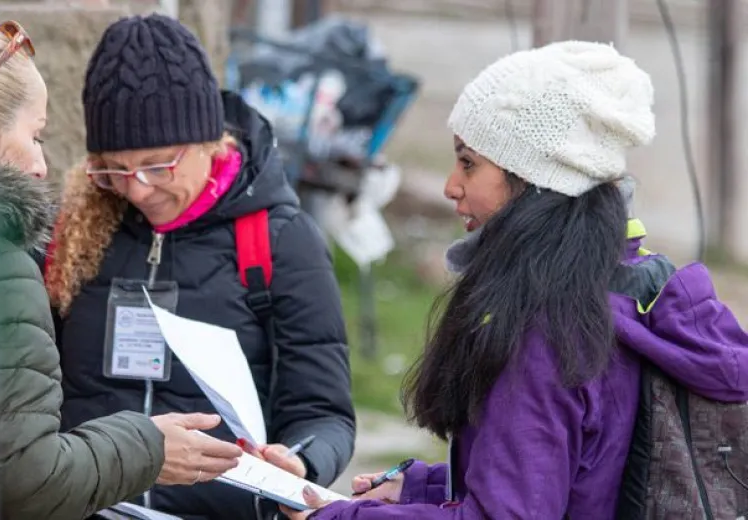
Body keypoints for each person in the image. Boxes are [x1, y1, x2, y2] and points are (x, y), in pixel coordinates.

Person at [284, 41, 748, 519]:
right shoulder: (633, 287)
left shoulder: (550, 332)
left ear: (534, 178)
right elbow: (579, 474)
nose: (450, 186)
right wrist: (421, 487)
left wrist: (336, 516)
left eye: (469, 162)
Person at [42, 13, 356, 520]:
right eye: (115, 169)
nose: (137, 189)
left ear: (210, 139)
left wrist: (300, 461)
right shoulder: (76, 227)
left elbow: (324, 413)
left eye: (159, 164)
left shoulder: (278, 238)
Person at [0, 19, 242, 520]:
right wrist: (147, 445)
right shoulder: (0, 264)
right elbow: (28, 481)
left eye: (158, 165)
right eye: (37, 136)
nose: (41, 166)